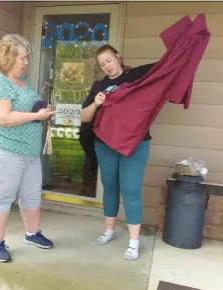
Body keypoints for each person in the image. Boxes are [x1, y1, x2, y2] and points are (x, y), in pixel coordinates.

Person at [0, 34, 56, 263]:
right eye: (23, 57)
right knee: (2, 197)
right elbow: (2, 117)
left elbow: (26, 108)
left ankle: (33, 234)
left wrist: (42, 109)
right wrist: (36, 115)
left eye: (27, 58)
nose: (27, 62)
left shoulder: (24, 82)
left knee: (31, 195)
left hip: (28, 152)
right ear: (9, 56)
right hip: (3, 150)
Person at [80, 44, 155, 261]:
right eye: (102, 64)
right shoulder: (98, 86)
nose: (106, 66)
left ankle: (133, 243)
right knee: (110, 186)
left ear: (118, 57)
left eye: (109, 60)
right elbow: (85, 117)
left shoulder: (136, 77)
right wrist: (95, 103)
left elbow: (163, 71)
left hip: (135, 143)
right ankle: (109, 231)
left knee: (130, 190)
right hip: (105, 144)